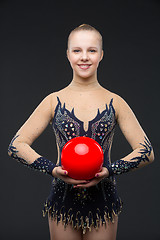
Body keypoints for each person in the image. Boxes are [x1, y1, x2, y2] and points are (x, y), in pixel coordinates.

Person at [8, 24, 154, 240]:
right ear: (68, 55)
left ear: (101, 55)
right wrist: (52, 169)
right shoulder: (53, 101)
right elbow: (15, 146)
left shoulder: (116, 102)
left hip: (103, 201)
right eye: (77, 50)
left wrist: (110, 170)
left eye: (91, 50)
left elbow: (147, 151)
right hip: (62, 200)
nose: (84, 57)